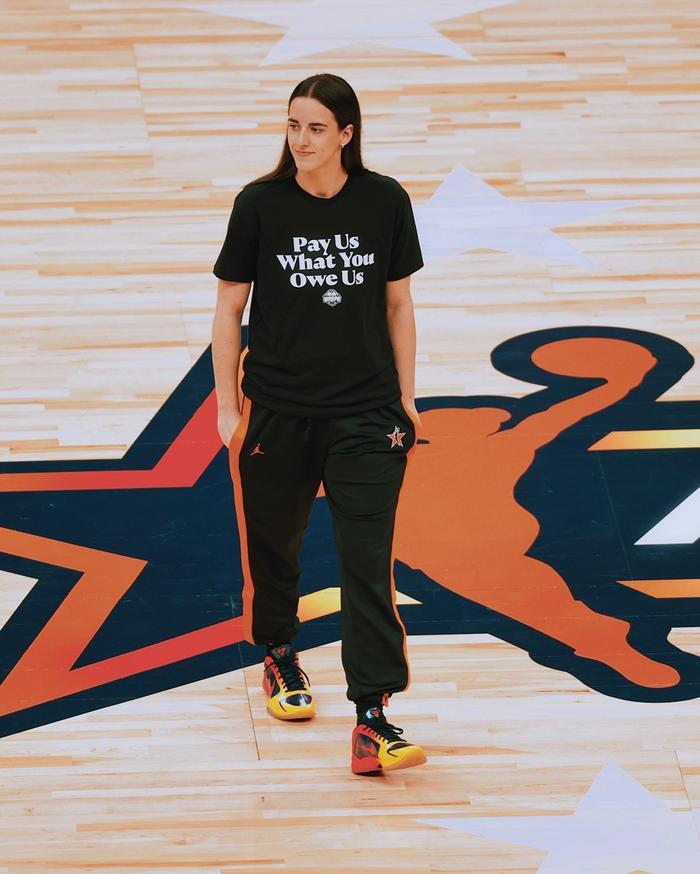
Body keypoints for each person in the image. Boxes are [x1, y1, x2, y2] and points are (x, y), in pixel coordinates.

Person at [210, 73, 427, 775]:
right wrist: (228, 410)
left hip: (367, 415)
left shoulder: (385, 200)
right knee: (276, 550)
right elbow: (229, 311)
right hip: (278, 411)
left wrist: (407, 397)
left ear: (346, 134)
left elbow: (398, 304)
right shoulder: (260, 205)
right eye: (293, 125)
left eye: (315, 128)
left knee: (368, 566)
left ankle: (372, 717)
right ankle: (279, 652)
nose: (300, 140)